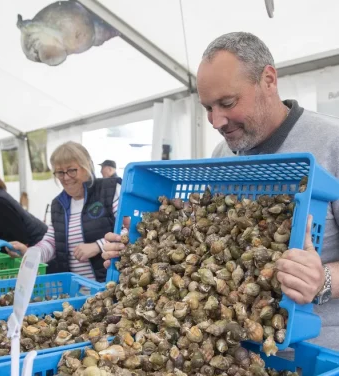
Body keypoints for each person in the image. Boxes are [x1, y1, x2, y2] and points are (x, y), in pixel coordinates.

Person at [102, 32, 339, 350]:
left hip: (318, 357)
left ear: (268, 80)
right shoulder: (222, 155)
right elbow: (204, 246)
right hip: (232, 349)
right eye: (207, 107)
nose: (216, 120)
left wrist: (322, 279)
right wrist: (136, 250)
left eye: (227, 103)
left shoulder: (331, 143)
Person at [9, 142, 120, 282]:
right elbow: (51, 241)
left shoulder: (109, 190)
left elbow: (127, 230)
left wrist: (98, 246)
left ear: (86, 167)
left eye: (72, 170)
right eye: (60, 172)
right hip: (76, 292)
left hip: (111, 287)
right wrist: (30, 253)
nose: (66, 177)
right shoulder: (58, 205)